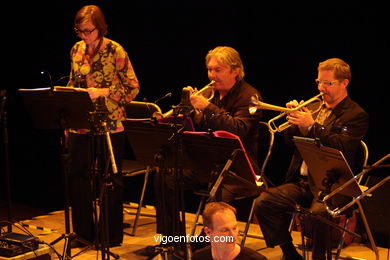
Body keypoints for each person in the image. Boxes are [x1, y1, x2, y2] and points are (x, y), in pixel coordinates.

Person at [253, 58, 369, 260]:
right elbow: (291, 142)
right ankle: (289, 253)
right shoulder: (315, 106)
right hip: (302, 183)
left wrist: (312, 126)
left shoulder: (356, 115)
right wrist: (296, 123)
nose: (321, 88)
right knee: (263, 202)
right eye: (318, 82)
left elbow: (341, 145)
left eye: (328, 83)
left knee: (318, 214)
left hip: (334, 186)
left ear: (344, 83)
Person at [152, 46, 263, 249]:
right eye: (210, 70)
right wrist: (194, 115)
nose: (212, 75)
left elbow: (238, 130)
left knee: (216, 192)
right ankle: (171, 240)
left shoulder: (250, 97)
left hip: (239, 170)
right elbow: (203, 130)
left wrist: (207, 108)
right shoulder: (215, 95)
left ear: (235, 71)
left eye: (218, 70)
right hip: (209, 164)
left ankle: (208, 247)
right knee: (164, 177)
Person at [66, 5, 140, 248]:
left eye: (88, 31)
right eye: (80, 31)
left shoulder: (114, 49)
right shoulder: (76, 49)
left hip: (110, 123)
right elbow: (71, 81)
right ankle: (83, 233)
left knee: (110, 179)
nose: (84, 36)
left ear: (100, 27)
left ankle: (110, 236)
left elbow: (133, 88)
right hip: (81, 123)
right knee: (78, 177)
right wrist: (66, 117)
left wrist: (105, 91)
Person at [192, 202, 267, 260]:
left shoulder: (256, 259)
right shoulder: (198, 257)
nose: (233, 235)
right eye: (225, 230)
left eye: (234, 228)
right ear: (208, 232)